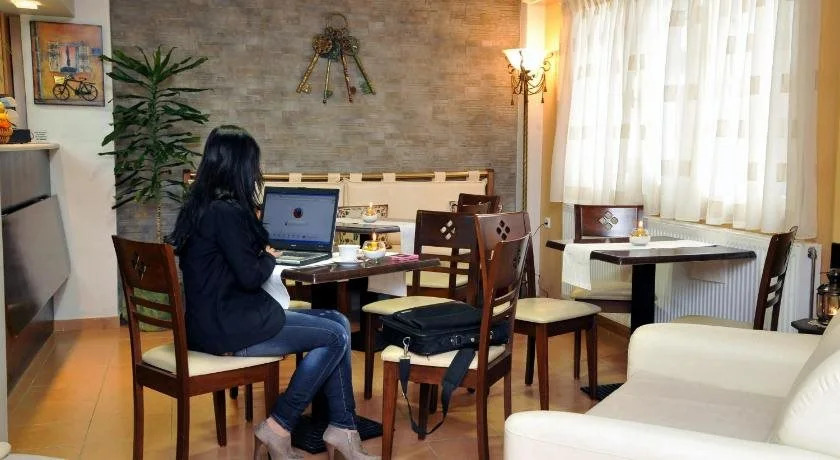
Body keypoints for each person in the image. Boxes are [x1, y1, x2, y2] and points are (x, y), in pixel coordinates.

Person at [168, 125, 378, 460]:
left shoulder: (200, 208)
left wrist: (259, 252)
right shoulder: (225, 212)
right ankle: (280, 425)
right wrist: (268, 256)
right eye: (253, 165)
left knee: (338, 320)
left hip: (210, 323)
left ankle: (343, 428)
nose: (257, 173)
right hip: (230, 328)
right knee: (337, 336)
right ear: (238, 167)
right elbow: (251, 276)